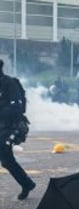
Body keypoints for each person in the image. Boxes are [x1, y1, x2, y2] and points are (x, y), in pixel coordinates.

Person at [0, 59, 35, 200]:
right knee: (7, 161)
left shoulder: (10, 84)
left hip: (8, 127)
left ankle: (26, 184)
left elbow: (17, 109)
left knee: (7, 161)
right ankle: (27, 184)